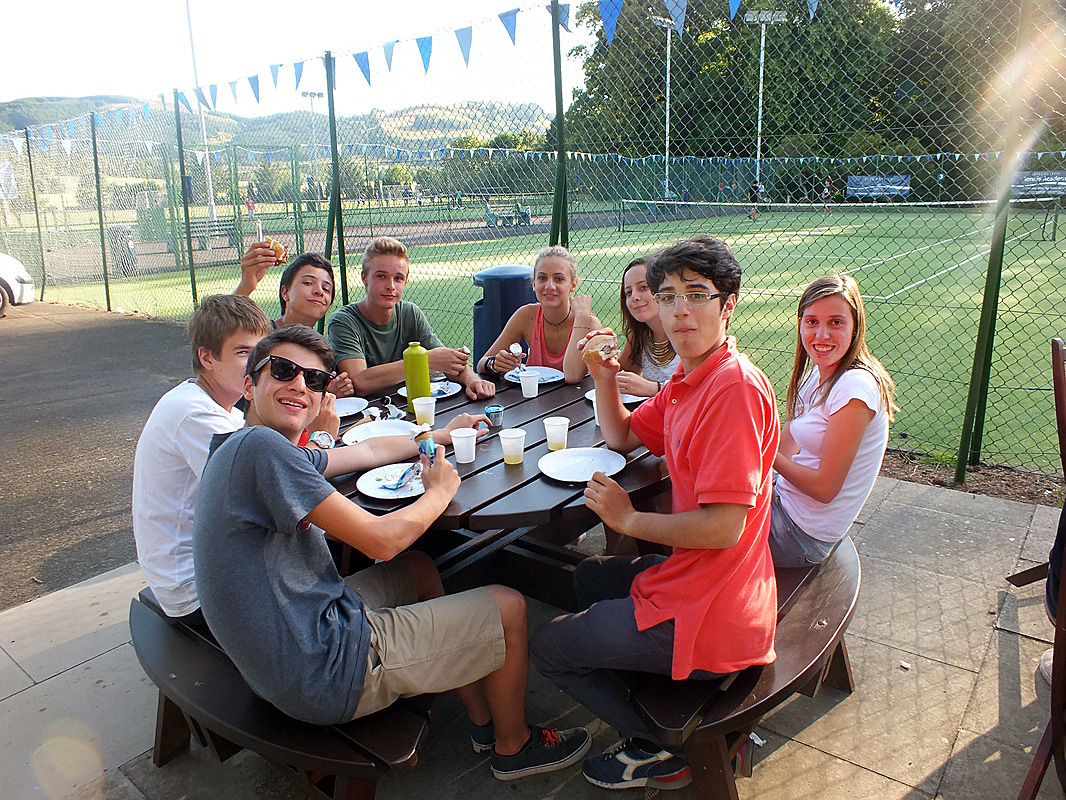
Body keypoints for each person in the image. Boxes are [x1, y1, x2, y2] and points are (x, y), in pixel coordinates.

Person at [192, 324, 591, 781]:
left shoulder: (246, 446)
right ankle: (514, 746)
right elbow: (381, 541)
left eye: (315, 380)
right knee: (509, 606)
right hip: (322, 668)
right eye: (284, 371)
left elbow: (366, 451)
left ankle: (483, 721)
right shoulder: (262, 449)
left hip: (286, 650)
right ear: (249, 385)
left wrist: (439, 434)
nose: (300, 385)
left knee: (419, 567)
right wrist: (438, 492)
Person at [529, 235, 780, 791]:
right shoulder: (689, 379)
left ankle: (666, 746)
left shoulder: (732, 390)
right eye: (668, 296)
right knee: (590, 577)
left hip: (715, 613)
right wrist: (603, 375)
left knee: (547, 646)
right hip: (701, 578)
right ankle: (643, 680)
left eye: (697, 294)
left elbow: (724, 527)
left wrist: (629, 522)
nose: (679, 309)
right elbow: (621, 436)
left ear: (728, 303)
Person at [132, 294, 272, 625]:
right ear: (207, 357)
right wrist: (321, 438)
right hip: (194, 591)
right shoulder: (195, 414)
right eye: (243, 353)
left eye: (261, 353)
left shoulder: (211, 402)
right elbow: (267, 495)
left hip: (200, 565)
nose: (257, 364)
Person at [770, 274, 897, 568]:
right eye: (812, 321)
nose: (822, 335)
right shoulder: (818, 374)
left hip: (801, 534)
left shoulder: (855, 388)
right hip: (784, 502)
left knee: (696, 531)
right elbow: (785, 444)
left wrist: (760, 452)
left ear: (855, 327)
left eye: (836, 322)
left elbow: (825, 489)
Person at [327, 236, 494, 400]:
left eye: (398, 278)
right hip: (366, 412)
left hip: (410, 406)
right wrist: (423, 360)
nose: (391, 286)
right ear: (364, 278)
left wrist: (472, 380)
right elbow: (359, 382)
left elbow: (446, 361)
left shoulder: (409, 313)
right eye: (381, 276)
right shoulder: (344, 321)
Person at [236, 247, 354, 397]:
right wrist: (247, 284)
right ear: (285, 292)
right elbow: (226, 326)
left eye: (326, 289)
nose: (319, 291)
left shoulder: (320, 351)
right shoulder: (261, 334)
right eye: (308, 283)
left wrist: (326, 391)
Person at [475, 246, 599, 384]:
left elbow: (573, 376)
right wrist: (494, 363)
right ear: (534, 283)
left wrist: (582, 318)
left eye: (559, 279)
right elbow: (481, 364)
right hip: (533, 396)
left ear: (573, 284)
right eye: (542, 278)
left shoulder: (588, 323)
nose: (549, 286)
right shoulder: (526, 315)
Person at [616, 256, 680, 398]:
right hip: (651, 410)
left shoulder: (687, 332)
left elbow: (701, 389)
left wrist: (655, 388)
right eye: (629, 292)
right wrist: (604, 360)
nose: (635, 297)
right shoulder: (640, 334)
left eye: (643, 287)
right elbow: (622, 376)